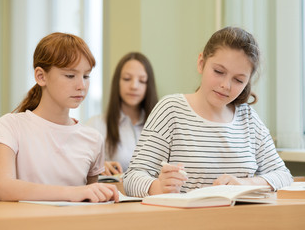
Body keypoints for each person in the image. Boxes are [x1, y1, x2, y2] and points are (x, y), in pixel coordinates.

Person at [123, 26, 293, 197]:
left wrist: (245, 183)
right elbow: (131, 178)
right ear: (201, 63)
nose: (226, 85)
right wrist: (158, 187)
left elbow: (284, 175)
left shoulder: (248, 118)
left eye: (238, 80)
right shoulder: (171, 110)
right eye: (219, 72)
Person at [0, 32, 118, 202]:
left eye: (86, 76)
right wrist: (73, 193)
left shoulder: (93, 139)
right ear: (41, 76)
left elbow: (90, 201)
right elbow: (3, 188)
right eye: (70, 76)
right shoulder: (11, 125)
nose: (81, 86)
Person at [87, 52, 158, 176]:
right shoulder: (96, 125)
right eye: (127, 79)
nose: (134, 86)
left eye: (142, 81)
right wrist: (97, 165)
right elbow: (79, 164)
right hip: (114, 193)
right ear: (117, 82)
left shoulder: (159, 126)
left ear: (149, 86)